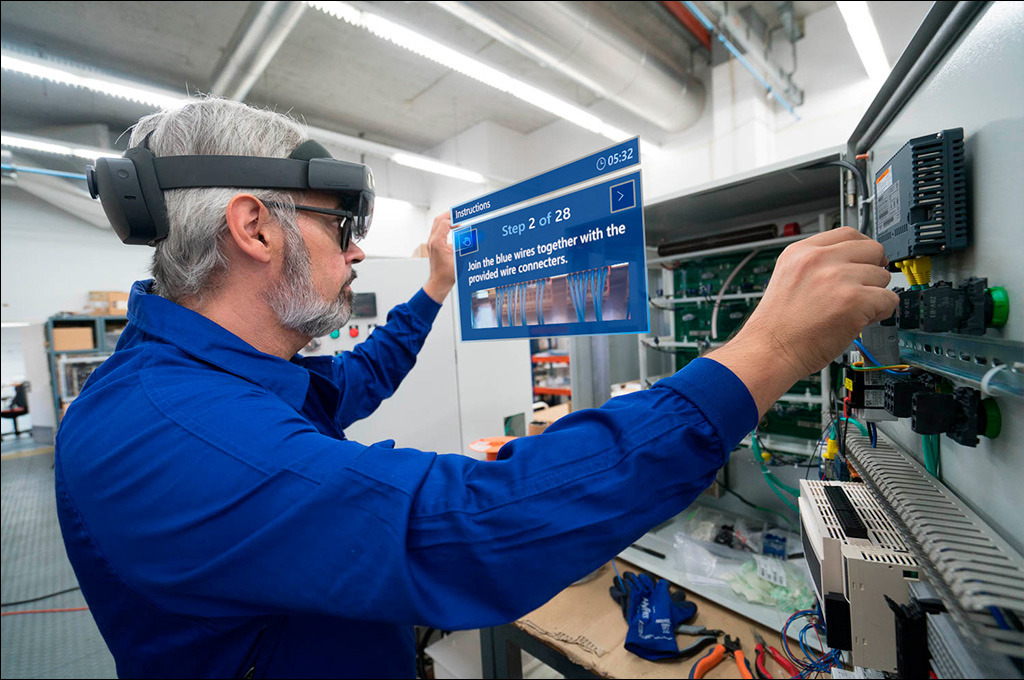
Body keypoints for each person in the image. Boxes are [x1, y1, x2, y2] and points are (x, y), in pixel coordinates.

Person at [55, 98, 898, 679]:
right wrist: (767, 352)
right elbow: (463, 523)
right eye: (339, 224)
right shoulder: (169, 433)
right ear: (254, 228)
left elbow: (354, 381)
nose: (352, 253)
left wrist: (433, 289)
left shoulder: (208, 382)